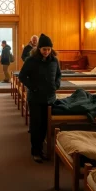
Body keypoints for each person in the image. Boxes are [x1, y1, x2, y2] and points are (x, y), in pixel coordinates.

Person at [18, 34, 61, 163]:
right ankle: (36, 151)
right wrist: (33, 87)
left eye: (48, 49)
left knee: (45, 126)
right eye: (44, 49)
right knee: (36, 125)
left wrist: (57, 84)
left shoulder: (54, 61)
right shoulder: (31, 60)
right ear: (39, 49)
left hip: (50, 98)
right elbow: (22, 76)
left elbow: (58, 75)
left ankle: (42, 149)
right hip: (35, 98)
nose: (46, 52)